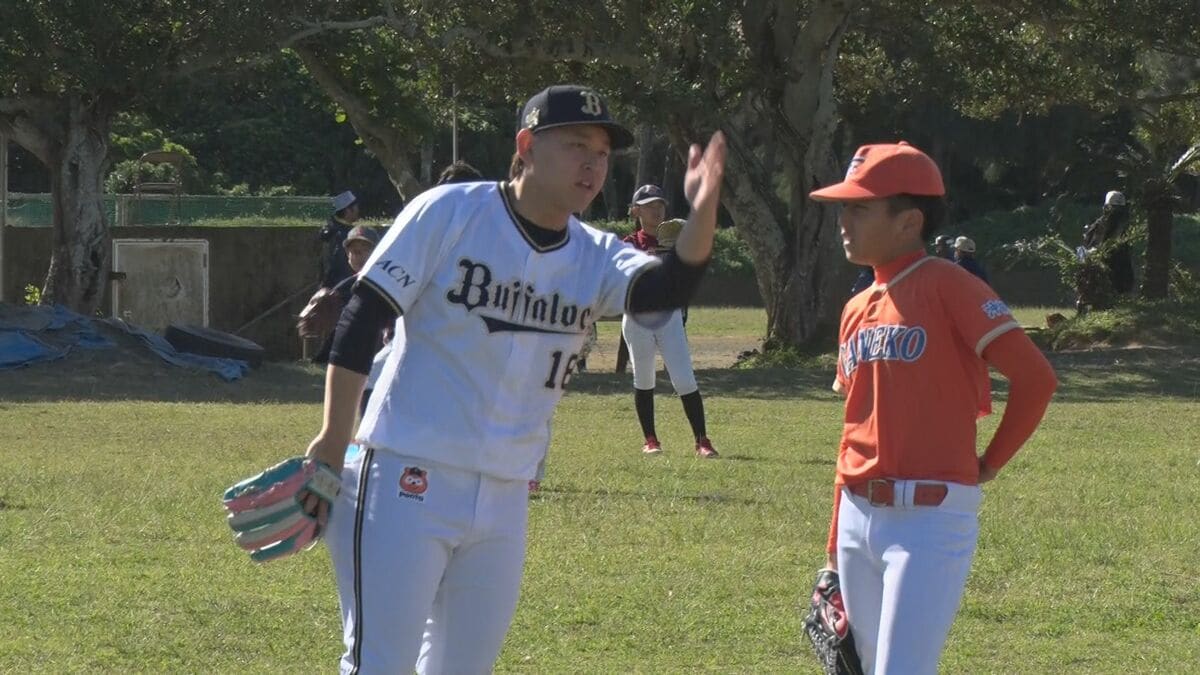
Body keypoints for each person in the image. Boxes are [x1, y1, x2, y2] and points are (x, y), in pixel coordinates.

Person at [302, 84, 727, 673]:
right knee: (379, 663)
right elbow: (361, 319)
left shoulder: (597, 254)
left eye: (603, 153)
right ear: (526, 146)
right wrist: (330, 438)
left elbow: (668, 288)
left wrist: (703, 208)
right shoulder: (450, 211)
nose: (593, 164)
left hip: (506, 493)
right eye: (577, 144)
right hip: (405, 472)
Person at [809, 141, 1057, 674]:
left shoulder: (951, 285)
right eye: (843, 208)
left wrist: (989, 462)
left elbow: (1036, 379)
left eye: (860, 208)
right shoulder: (855, 307)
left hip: (928, 519)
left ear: (909, 221)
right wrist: (833, 545)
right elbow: (854, 428)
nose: (844, 221)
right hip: (857, 513)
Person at [621, 184, 718, 458]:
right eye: (649, 204)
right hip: (637, 318)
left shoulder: (678, 242)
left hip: (669, 316)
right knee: (644, 377)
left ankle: (702, 441)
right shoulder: (629, 243)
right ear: (636, 210)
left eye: (660, 204)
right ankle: (650, 439)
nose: (656, 209)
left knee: (685, 378)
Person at [319, 190, 362, 299]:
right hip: (341, 291)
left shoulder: (330, 230)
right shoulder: (345, 235)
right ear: (348, 210)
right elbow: (338, 265)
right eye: (355, 207)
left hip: (328, 290)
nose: (358, 210)